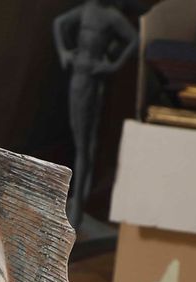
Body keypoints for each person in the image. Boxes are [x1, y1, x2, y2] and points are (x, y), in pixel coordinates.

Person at [53, 0, 139, 229]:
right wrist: (64, 52)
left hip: (91, 80)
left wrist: (113, 65)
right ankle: (78, 203)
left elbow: (135, 39)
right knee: (82, 144)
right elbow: (59, 23)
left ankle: (78, 208)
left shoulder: (112, 16)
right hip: (79, 77)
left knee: (84, 147)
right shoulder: (87, 10)